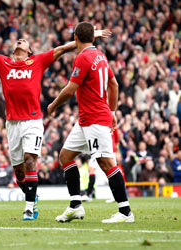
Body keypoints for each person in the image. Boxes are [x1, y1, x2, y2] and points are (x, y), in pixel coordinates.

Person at [0, 24, 111, 220]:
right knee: (19, 173)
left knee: (30, 160)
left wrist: (88, 37)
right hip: (12, 124)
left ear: (30, 50)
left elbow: (63, 48)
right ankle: (32, 196)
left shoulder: (38, 61)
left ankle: (28, 208)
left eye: (24, 41)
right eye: (18, 40)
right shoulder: (3, 63)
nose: (20, 40)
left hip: (33, 121)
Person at [48, 22, 134, 223]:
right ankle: (76, 205)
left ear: (76, 38)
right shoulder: (101, 56)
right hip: (87, 119)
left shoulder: (83, 57)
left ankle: (125, 211)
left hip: (95, 118)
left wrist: (53, 105)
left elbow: (70, 90)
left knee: (105, 163)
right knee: (66, 156)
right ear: (93, 38)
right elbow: (114, 84)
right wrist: (112, 110)